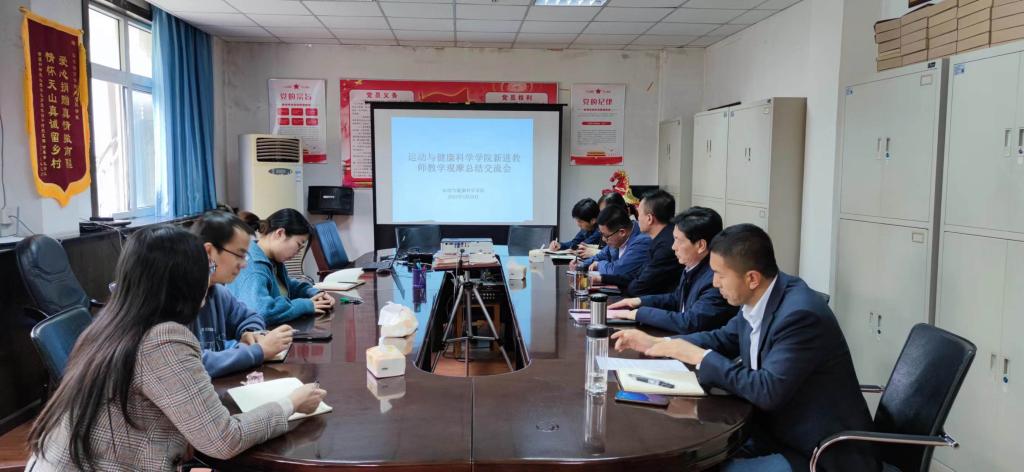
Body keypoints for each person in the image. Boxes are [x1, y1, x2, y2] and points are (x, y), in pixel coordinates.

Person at [26, 225, 326, 471]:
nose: (209, 276)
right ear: (184, 279)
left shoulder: (108, 324)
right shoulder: (163, 340)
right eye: (206, 268)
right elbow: (223, 440)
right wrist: (290, 404)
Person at [611, 224, 880, 472]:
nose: (714, 283)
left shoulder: (800, 315)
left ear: (752, 278)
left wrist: (699, 356)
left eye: (719, 275)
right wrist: (661, 344)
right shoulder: (762, 298)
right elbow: (722, 338)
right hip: (768, 430)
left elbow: (766, 390)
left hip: (816, 452)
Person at [190, 210, 294, 378]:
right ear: (209, 252)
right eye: (239, 255)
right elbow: (193, 364)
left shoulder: (218, 292)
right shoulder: (178, 302)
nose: (244, 264)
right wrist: (259, 351)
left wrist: (251, 333)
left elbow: (251, 317)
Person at [608, 206, 737, 334]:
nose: (673, 247)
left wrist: (639, 313)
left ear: (701, 245)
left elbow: (690, 322)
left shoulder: (715, 280)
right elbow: (677, 299)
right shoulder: (693, 265)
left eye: (678, 240)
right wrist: (638, 301)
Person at [228, 209, 335, 325]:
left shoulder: (271, 259)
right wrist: (304, 305)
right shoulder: (254, 268)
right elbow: (261, 312)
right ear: (280, 233)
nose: (297, 252)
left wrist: (315, 293)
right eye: (298, 245)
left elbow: (286, 287)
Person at [592, 190, 682, 296]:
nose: (637, 218)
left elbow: (639, 287)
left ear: (649, 218)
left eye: (639, 213)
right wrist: (602, 278)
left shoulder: (665, 246)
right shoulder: (661, 238)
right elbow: (636, 277)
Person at [572, 205, 650, 281]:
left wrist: (599, 264)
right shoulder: (615, 236)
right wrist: (581, 264)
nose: (603, 239)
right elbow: (600, 256)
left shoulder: (642, 241)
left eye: (605, 236)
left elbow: (617, 271)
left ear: (622, 232)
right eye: (601, 234)